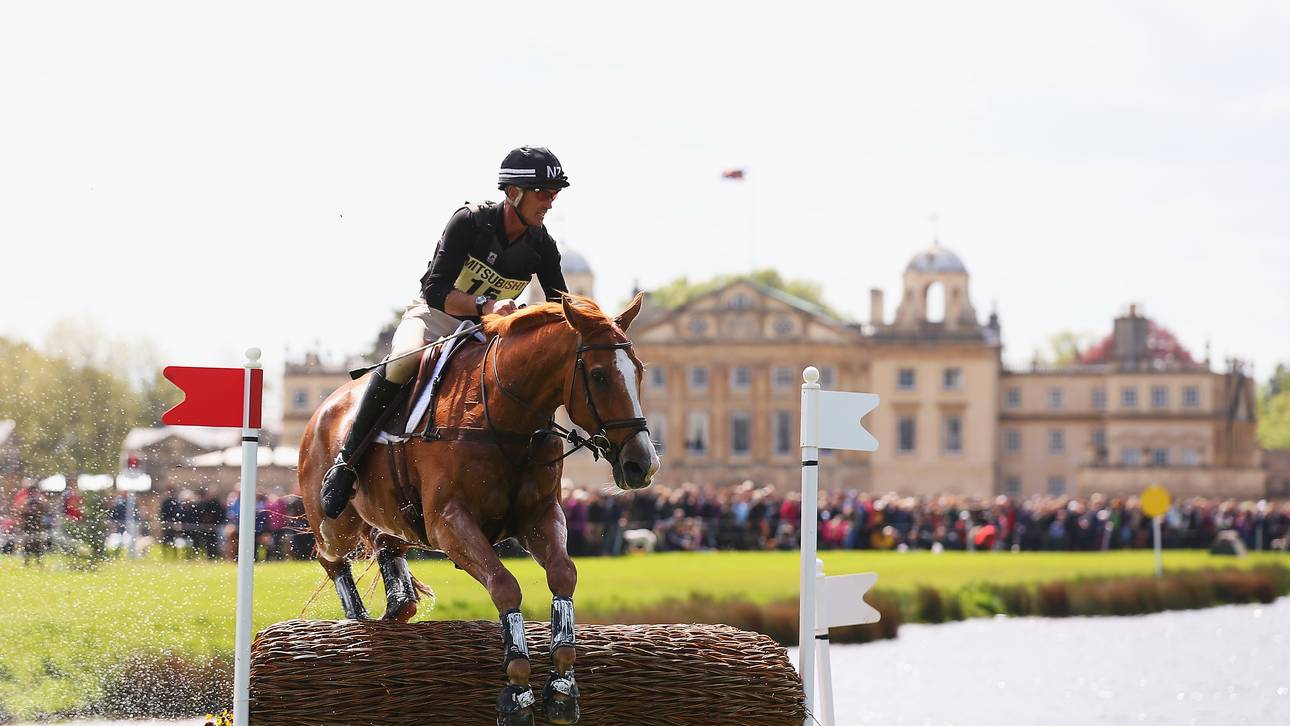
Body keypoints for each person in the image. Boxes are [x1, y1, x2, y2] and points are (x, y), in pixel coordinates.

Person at [321, 146, 572, 518]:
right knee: (402, 365)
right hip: (436, 317)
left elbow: (559, 304)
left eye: (554, 194)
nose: (550, 202)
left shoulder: (542, 246)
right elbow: (435, 290)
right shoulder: (469, 222)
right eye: (543, 193)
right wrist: (487, 307)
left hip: (486, 333)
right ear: (513, 193)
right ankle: (346, 463)